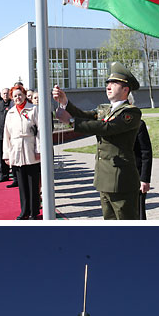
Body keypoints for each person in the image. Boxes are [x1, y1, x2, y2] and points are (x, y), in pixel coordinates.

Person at [54, 68, 142, 220]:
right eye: (108, 83)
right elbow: (84, 115)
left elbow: (107, 128)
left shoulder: (131, 112)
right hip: (104, 179)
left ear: (125, 89)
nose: (108, 86)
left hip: (120, 180)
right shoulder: (105, 109)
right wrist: (65, 102)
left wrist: (71, 122)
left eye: (113, 84)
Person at [3, 84, 41, 218]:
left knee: (33, 183)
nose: (18, 98)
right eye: (15, 96)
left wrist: (39, 149)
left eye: (20, 95)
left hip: (31, 149)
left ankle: (34, 211)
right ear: (12, 98)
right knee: (22, 184)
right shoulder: (10, 113)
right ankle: (24, 210)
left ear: (24, 95)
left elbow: (40, 132)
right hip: (16, 151)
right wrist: (6, 155)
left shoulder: (33, 110)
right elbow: (6, 135)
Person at [135, 113, 153, 219]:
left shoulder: (139, 125)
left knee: (139, 213)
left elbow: (146, 153)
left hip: (137, 176)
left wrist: (144, 179)